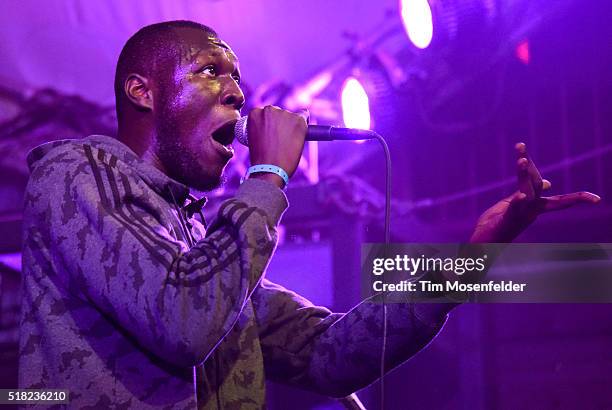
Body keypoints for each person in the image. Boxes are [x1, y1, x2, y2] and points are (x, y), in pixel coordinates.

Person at [19, 20, 600, 409]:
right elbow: (184, 323)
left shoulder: (200, 239)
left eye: (237, 80)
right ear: (142, 90)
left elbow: (329, 353)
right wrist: (268, 176)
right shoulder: (76, 170)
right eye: (209, 71)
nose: (236, 94)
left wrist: (468, 261)